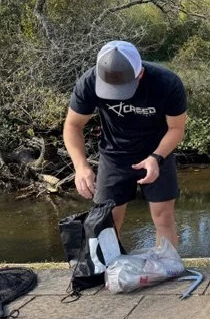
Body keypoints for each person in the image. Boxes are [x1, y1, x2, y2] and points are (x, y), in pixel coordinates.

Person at [63, 40, 187, 248]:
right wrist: (81, 166)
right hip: (114, 155)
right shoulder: (89, 81)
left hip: (158, 152)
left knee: (163, 217)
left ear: (140, 74)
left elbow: (176, 128)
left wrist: (156, 157)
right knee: (108, 220)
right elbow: (73, 125)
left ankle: (167, 265)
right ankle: (108, 267)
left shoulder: (167, 82)